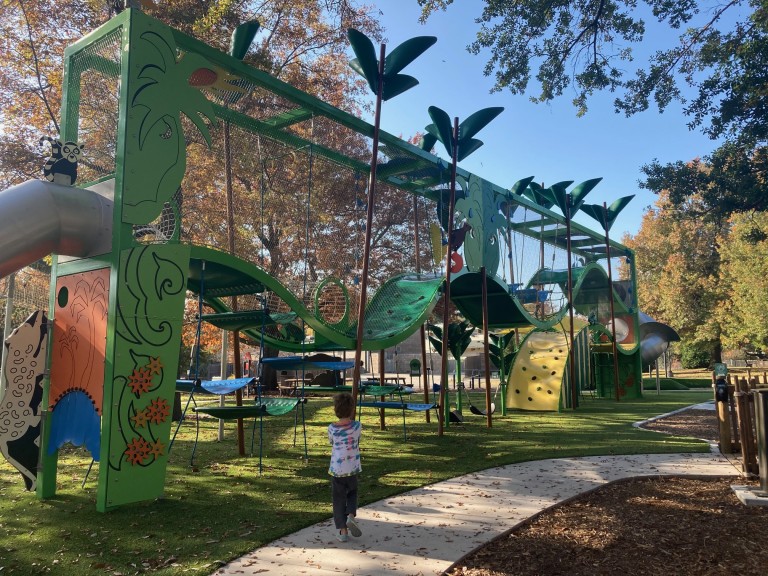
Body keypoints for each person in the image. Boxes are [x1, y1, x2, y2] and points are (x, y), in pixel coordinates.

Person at [328, 392, 362, 542]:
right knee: (352, 492)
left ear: (336, 410)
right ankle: (350, 515)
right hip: (353, 468)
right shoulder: (357, 426)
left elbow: (332, 442)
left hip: (337, 470)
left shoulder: (332, 428)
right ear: (352, 409)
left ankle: (343, 531)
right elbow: (357, 440)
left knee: (338, 498)